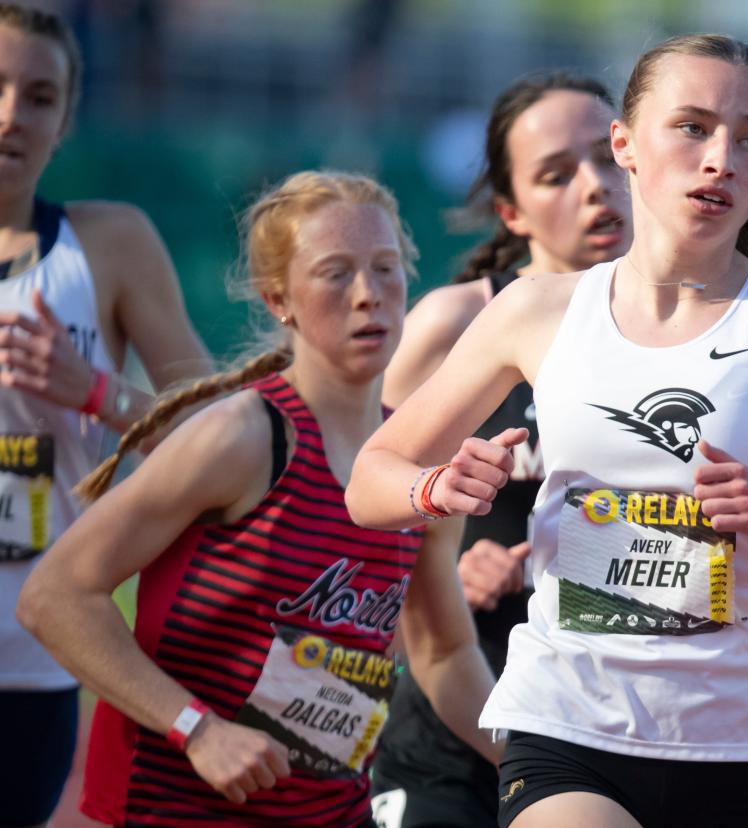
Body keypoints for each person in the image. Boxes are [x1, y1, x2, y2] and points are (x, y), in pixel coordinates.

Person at [347, 34, 748, 828]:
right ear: (624, 146)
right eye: (693, 127)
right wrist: (433, 486)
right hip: (567, 722)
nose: (721, 158)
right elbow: (369, 478)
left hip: (744, 743)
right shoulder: (534, 311)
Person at [17, 171, 499, 826]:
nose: (369, 296)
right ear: (280, 299)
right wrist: (197, 728)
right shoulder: (244, 435)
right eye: (335, 273)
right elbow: (55, 596)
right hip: (180, 810)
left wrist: (538, 760)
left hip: (333, 813)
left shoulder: (412, 462)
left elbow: (443, 655)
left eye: (386, 269)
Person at [371, 72, 629, 828]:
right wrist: (447, 571)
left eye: (608, 159)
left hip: (627, 727)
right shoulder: (457, 324)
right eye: (556, 174)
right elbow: (351, 516)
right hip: (462, 717)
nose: (594, 187)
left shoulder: (703, 324)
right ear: (512, 211)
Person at [0, 5, 210, 826]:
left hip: (32, 660)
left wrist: (93, 389)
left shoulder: (111, 244)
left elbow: (221, 429)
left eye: (39, 95)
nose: (13, 113)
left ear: (64, 119)